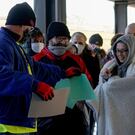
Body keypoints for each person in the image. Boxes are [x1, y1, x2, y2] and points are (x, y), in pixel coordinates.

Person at [0, 3, 80, 135]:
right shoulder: (3, 44)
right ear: (22, 24)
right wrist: (35, 85)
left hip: (16, 122)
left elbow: (35, 67)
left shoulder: (14, 45)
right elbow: (2, 76)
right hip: (6, 125)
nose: (29, 34)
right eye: (30, 29)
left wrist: (62, 73)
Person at [33, 21, 92, 135]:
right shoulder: (37, 60)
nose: (62, 42)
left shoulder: (76, 60)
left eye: (65, 39)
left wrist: (83, 96)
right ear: (49, 39)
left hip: (73, 120)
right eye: (58, 38)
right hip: (45, 120)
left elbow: (88, 82)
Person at [87, 34, 135, 135]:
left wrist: (110, 81)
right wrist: (104, 79)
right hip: (110, 117)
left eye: (124, 50)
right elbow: (103, 88)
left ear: (132, 50)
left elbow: (122, 91)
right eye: (117, 50)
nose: (120, 54)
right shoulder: (109, 66)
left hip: (131, 120)